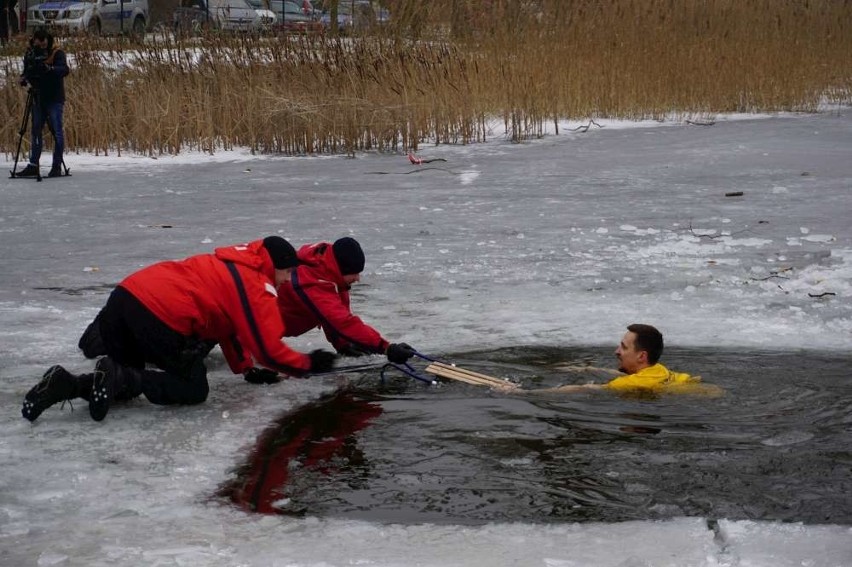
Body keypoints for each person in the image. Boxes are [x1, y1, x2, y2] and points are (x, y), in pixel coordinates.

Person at [22, 236, 337, 423]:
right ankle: (120, 373)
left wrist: (245, 370)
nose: (286, 281)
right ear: (277, 266)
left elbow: (227, 326)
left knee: (129, 384)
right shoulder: (255, 284)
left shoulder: (230, 263)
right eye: (287, 273)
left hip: (124, 298)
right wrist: (308, 365)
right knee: (193, 388)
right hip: (157, 313)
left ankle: (67, 384)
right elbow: (267, 348)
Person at [262, 237, 415, 385]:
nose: (358, 278)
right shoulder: (311, 283)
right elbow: (342, 323)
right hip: (258, 330)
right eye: (354, 273)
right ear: (342, 269)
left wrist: (343, 345)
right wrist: (387, 348)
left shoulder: (331, 272)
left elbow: (339, 311)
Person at [508, 324, 716, 396]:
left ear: (642, 356)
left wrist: (524, 393)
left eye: (624, 347)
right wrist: (584, 369)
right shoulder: (657, 370)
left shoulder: (634, 382)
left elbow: (585, 390)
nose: (617, 351)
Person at [17, 29, 69, 178]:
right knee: (35, 130)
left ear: (47, 40)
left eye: (44, 42)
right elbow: (28, 70)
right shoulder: (31, 54)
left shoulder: (56, 52)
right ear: (34, 42)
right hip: (37, 95)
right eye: (38, 43)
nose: (42, 46)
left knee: (57, 131)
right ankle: (33, 165)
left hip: (54, 97)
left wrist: (50, 68)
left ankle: (56, 166)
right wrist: (24, 78)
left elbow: (64, 70)